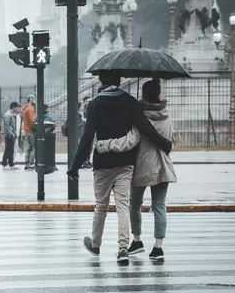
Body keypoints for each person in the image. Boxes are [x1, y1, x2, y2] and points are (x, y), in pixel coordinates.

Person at [66, 73, 173, 264]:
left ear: (102, 82)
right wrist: (163, 142)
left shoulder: (95, 104)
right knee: (123, 205)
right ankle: (123, 249)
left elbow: (87, 137)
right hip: (125, 162)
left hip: (102, 164)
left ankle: (96, 244)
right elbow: (145, 127)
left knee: (101, 206)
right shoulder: (131, 102)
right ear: (119, 81)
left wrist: (74, 167)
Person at [96, 79, 176, 260]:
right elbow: (170, 137)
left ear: (144, 94)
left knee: (134, 203)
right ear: (159, 94)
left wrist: (106, 145)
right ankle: (158, 247)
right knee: (159, 206)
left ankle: (137, 239)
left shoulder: (140, 115)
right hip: (163, 164)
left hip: (142, 164)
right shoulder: (167, 113)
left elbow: (132, 140)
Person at [62, 100, 92, 168]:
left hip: (80, 134)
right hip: (78, 135)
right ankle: (81, 162)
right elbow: (75, 125)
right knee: (80, 149)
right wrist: (83, 123)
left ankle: (84, 161)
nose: (81, 107)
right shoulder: (75, 115)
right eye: (80, 106)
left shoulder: (77, 114)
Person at [2, 102, 20, 169]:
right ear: (14, 107)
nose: (17, 109)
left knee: (11, 150)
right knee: (8, 150)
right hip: (9, 136)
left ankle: (11, 164)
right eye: (16, 107)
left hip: (12, 135)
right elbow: (7, 126)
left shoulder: (12, 114)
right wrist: (11, 134)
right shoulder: (8, 115)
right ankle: (4, 164)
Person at [22, 96, 36, 170]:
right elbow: (33, 121)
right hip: (31, 131)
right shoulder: (30, 109)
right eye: (34, 100)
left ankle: (26, 162)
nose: (35, 101)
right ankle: (31, 163)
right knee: (35, 147)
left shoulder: (25, 108)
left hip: (27, 131)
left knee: (29, 147)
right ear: (31, 100)